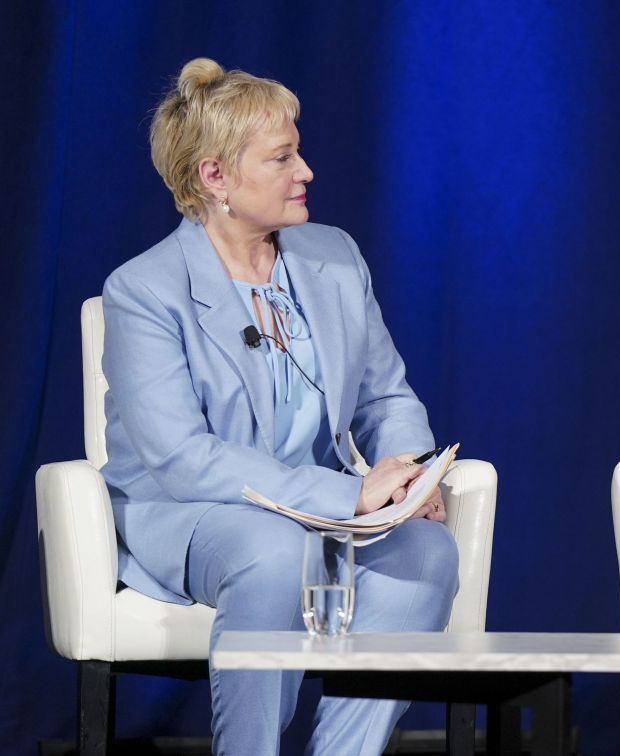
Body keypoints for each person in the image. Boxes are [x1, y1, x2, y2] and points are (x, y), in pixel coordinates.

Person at [100, 58, 459, 754]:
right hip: (193, 513)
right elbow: (182, 459)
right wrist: (350, 492)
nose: (307, 172)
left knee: (426, 555)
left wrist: (411, 471)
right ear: (216, 178)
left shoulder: (334, 257)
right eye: (283, 157)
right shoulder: (144, 290)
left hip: (322, 508)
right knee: (274, 550)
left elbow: (385, 392)